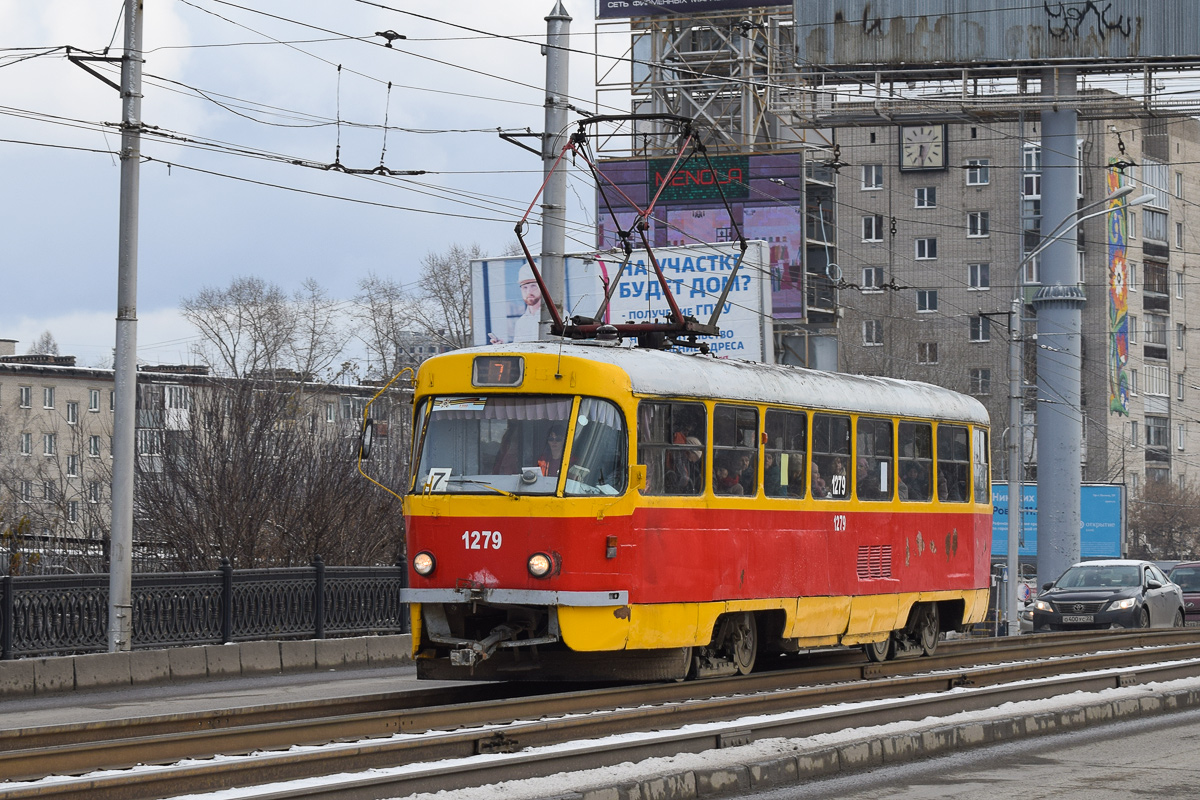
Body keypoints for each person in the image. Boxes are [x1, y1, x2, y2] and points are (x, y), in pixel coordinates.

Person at [490, 264, 542, 343]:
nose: (528, 292)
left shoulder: (559, 317)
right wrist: (502, 347)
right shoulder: (521, 323)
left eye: (533, 286)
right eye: (525, 287)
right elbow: (519, 350)